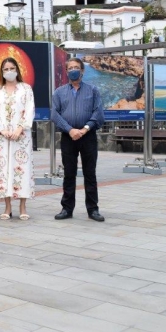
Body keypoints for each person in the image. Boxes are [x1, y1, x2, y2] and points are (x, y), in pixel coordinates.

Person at [51, 57, 105, 222]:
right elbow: (54, 114)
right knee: (69, 174)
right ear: (66, 72)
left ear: (82, 71)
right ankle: (67, 209)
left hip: (88, 136)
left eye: (76, 67)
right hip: (68, 137)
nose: (73, 70)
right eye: (70, 68)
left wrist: (85, 129)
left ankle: (93, 210)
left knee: (90, 174)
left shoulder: (93, 90)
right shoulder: (59, 92)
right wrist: (70, 130)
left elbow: (98, 112)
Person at [0, 57, 35, 220]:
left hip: (21, 136)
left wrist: (20, 128)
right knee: (4, 169)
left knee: (21, 168)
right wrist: (2, 129)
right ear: (2, 72)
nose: (9, 72)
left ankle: (23, 206)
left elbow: (29, 110)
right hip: (2, 138)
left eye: (12, 68)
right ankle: (7, 207)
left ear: (17, 69)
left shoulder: (26, 89)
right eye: (6, 69)